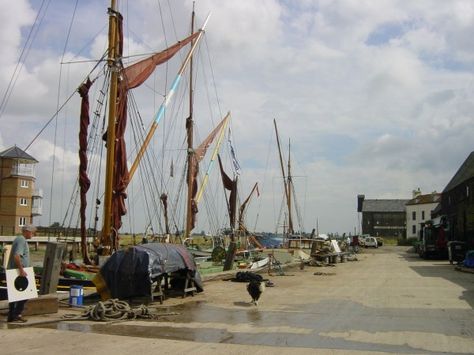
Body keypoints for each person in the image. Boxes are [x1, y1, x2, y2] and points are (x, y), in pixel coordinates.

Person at [7, 224, 36, 323]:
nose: (33, 234)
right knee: (24, 294)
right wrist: (21, 270)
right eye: (32, 232)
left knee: (16, 295)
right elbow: (16, 256)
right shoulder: (21, 240)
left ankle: (12, 316)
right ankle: (16, 314)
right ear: (27, 231)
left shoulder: (20, 239)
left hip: (17, 271)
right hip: (18, 272)